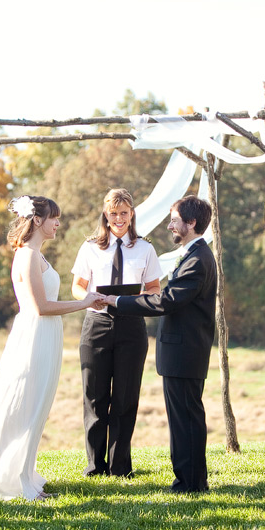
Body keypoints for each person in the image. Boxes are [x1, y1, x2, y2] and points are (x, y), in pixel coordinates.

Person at [0, 196, 104, 501]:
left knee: (36, 406)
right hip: (33, 336)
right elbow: (40, 307)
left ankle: (24, 473)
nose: (58, 224)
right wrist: (83, 303)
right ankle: (12, 480)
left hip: (46, 336)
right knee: (25, 405)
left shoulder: (37, 255)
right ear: (38, 220)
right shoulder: (28, 256)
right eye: (54, 218)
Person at [100, 195, 216, 493]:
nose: (170, 226)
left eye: (175, 220)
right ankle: (191, 480)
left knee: (186, 419)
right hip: (182, 351)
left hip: (185, 351)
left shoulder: (198, 260)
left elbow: (166, 301)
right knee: (184, 418)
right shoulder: (195, 254)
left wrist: (119, 301)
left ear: (191, 223)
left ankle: (189, 484)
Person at [71, 188, 163, 477]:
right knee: (95, 398)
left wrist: (133, 301)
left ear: (131, 214)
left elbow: (154, 289)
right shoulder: (89, 247)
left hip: (131, 327)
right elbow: (77, 285)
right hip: (96, 325)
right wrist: (88, 298)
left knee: (124, 398)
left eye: (124, 213)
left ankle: (120, 468)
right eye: (113, 213)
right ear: (105, 215)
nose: (119, 218)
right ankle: (95, 466)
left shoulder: (145, 249)